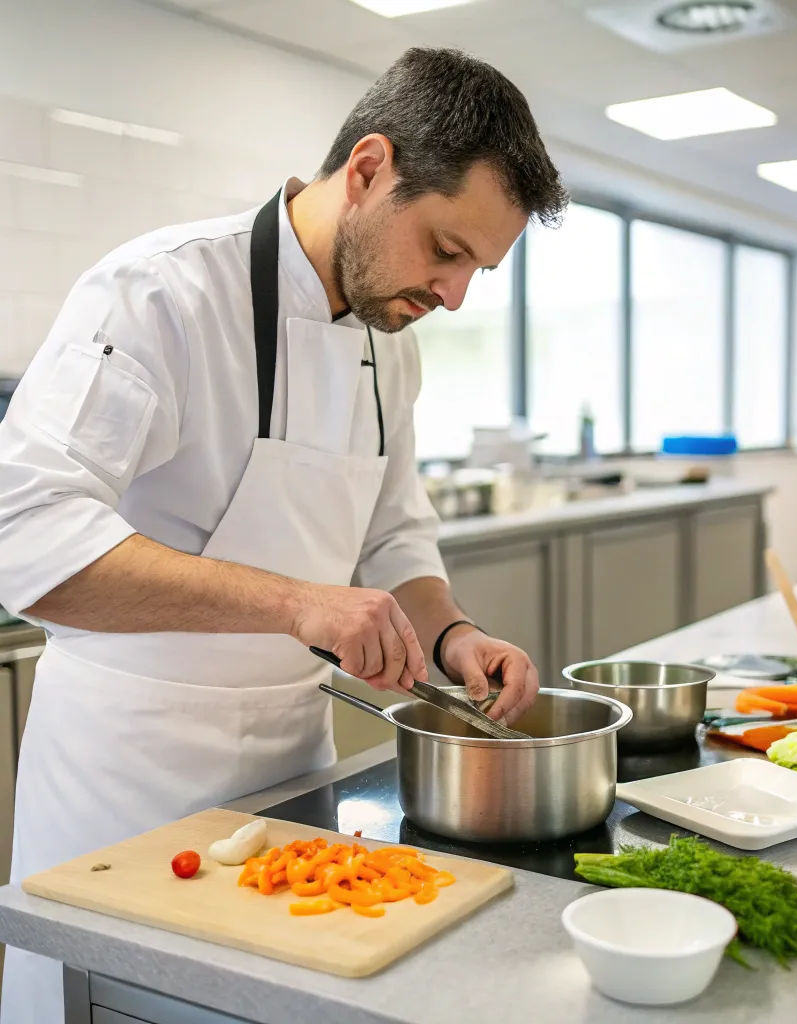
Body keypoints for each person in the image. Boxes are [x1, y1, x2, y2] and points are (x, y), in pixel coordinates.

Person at [0, 46, 569, 1020]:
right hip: (125, 783)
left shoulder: (392, 348)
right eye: (445, 249)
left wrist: (451, 635)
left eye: (478, 267)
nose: (455, 295)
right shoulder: (157, 293)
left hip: (289, 784)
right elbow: (27, 541)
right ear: (366, 171)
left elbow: (393, 538)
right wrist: (299, 601)